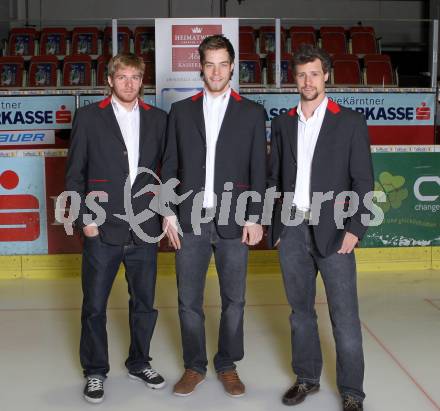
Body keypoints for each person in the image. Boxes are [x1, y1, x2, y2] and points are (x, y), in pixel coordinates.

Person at [268, 44, 374, 411]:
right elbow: (273, 179)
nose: (307, 80)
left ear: (326, 75)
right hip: (293, 228)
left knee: (344, 316)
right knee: (300, 314)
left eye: (314, 73)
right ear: (293, 79)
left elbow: (363, 182)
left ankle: (352, 392)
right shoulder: (282, 123)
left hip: (335, 230)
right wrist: (277, 228)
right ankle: (307, 378)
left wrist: (355, 228)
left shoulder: (350, 123)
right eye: (300, 75)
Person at [161, 34, 267, 398]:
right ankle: (194, 366)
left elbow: (259, 170)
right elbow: (171, 165)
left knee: (234, 300)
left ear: (233, 66)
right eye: (210, 64)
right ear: (201, 67)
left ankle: (227, 364)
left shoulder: (252, 113)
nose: (217, 71)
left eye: (224, 63)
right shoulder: (181, 111)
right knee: (188, 300)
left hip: (235, 221)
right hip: (189, 220)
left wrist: (255, 216)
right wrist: (168, 213)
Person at [65, 53, 167, 404]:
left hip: (144, 230)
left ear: (142, 80)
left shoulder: (159, 120)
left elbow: (165, 175)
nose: (129, 83)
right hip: (102, 230)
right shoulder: (89, 118)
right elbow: (75, 174)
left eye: (135, 77)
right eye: (122, 77)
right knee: (94, 305)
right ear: (109, 80)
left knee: (144, 304)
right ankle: (95, 371)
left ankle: (140, 362)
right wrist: (86, 221)